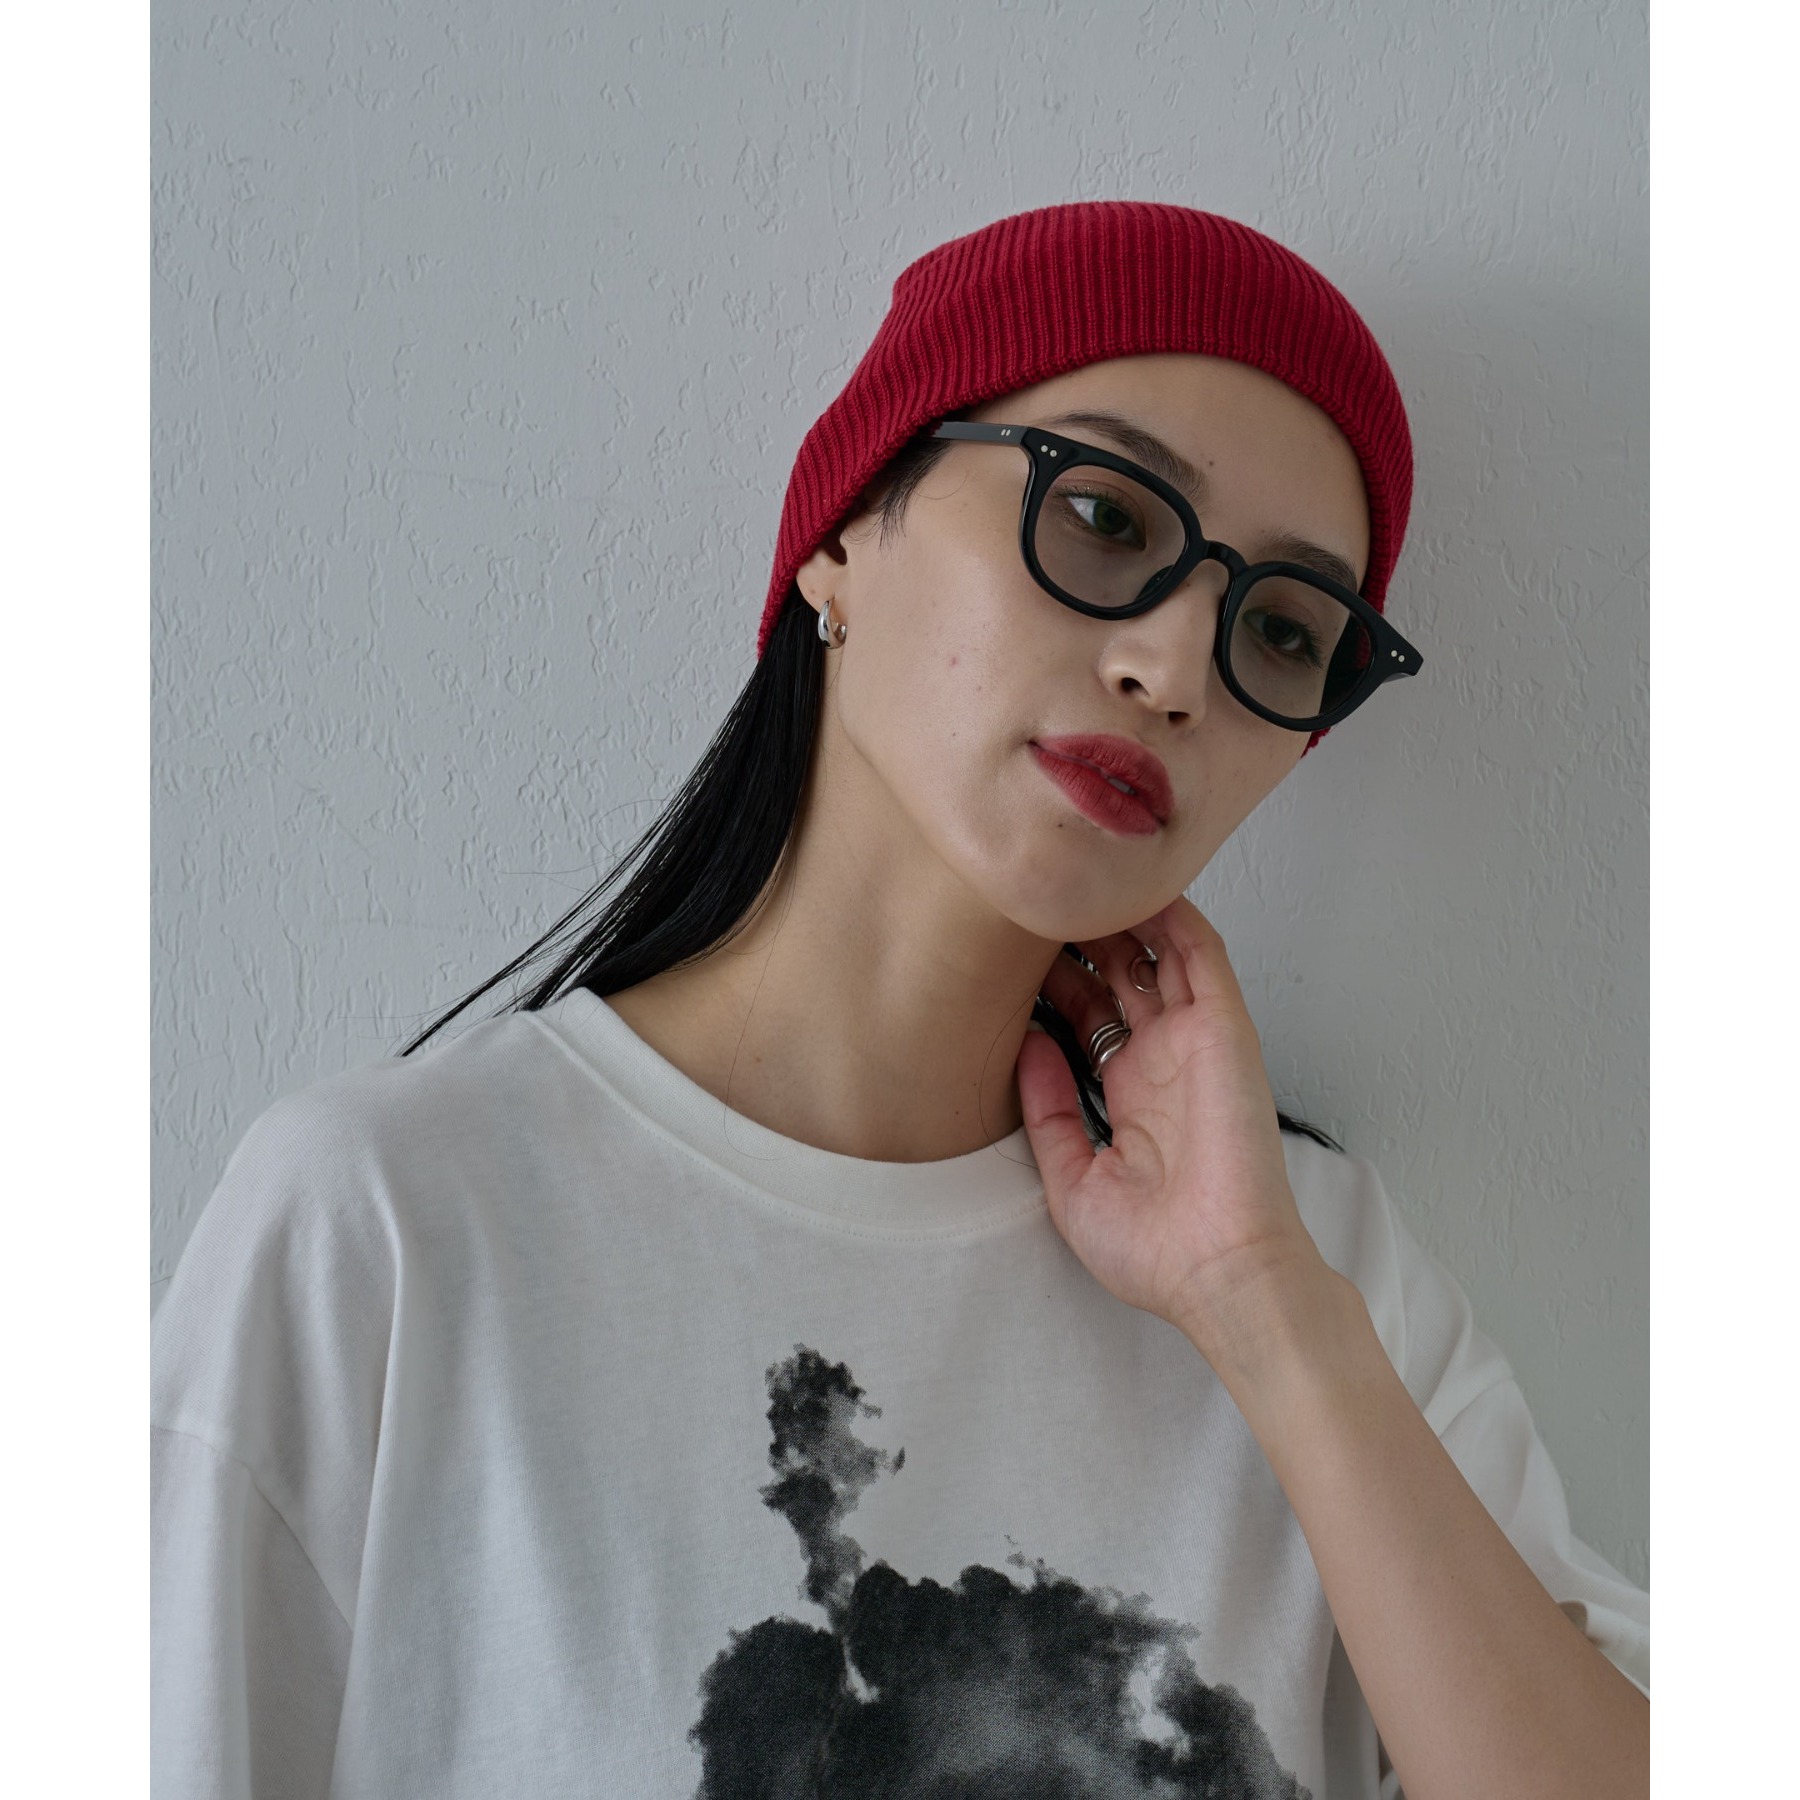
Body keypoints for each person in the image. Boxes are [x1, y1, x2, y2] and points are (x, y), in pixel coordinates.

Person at [151, 201, 1649, 1798]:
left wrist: (1262, 1316)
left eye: (1284, 630)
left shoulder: (1321, 1272)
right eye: (1104, 517)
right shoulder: (389, 1229)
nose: (1175, 670)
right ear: (845, 532)